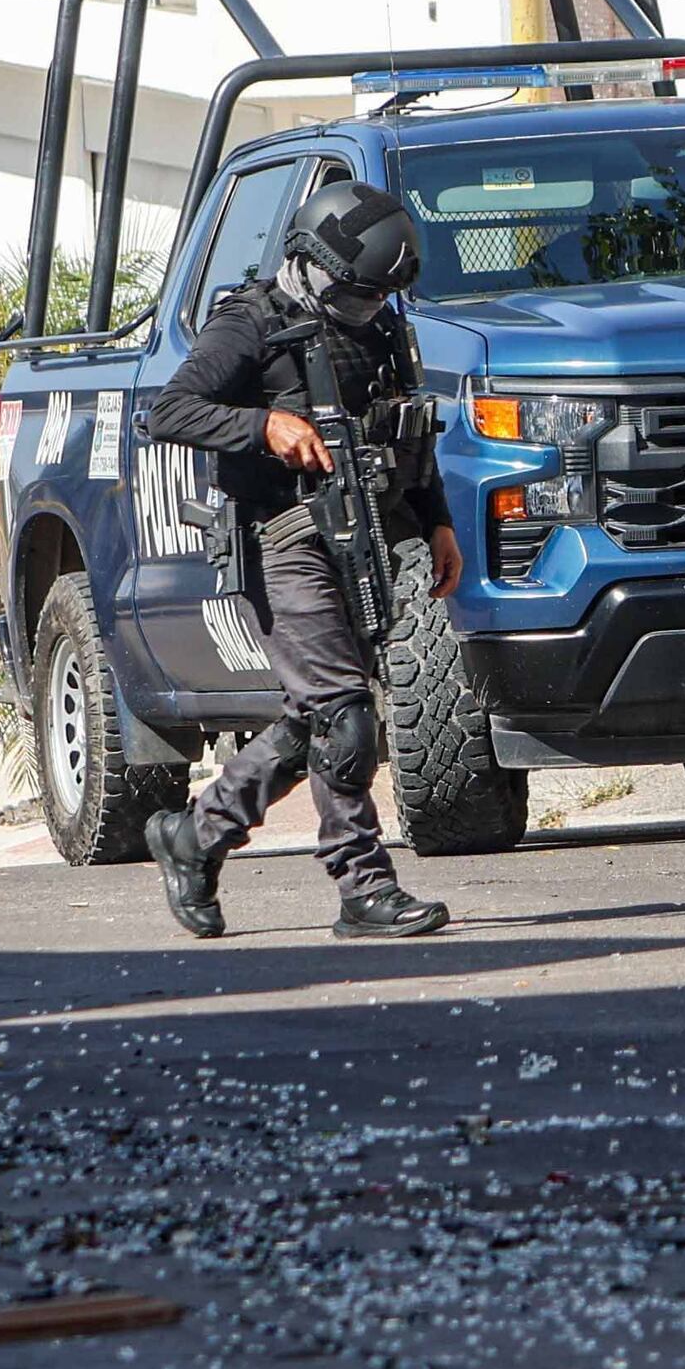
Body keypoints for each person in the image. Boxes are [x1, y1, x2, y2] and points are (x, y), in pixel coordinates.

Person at [139, 178, 462, 943]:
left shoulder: (378, 327)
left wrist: (437, 522)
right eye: (358, 296)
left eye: (379, 298)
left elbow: (403, 430)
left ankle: (195, 836)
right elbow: (169, 410)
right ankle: (363, 884)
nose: (370, 311)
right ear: (315, 264)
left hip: (358, 534)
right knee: (345, 717)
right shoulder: (249, 323)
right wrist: (266, 426)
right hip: (278, 538)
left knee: (314, 719)